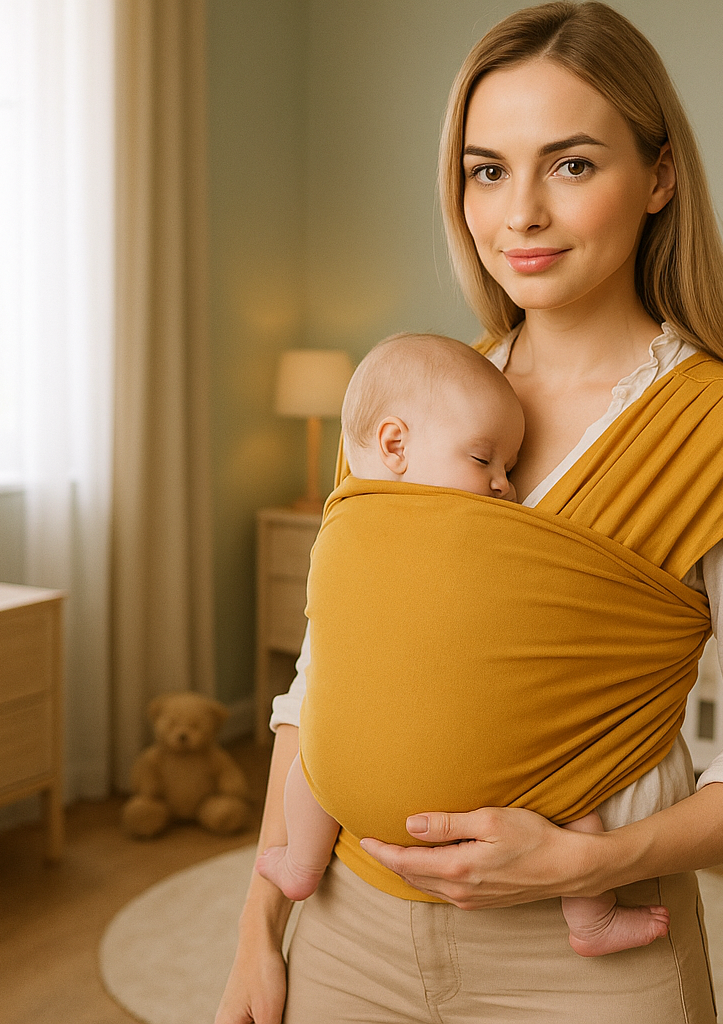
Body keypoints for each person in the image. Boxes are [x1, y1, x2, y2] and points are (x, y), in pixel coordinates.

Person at [216, 4, 723, 1022]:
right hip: (350, 931)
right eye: (487, 169)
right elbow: (326, 679)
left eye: (571, 164)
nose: (519, 216)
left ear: (659, 176)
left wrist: (588, 858)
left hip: (584, 961)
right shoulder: (413, 406)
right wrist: (258, 930)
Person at [254, 330, 671, 957]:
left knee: (317, 770)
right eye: (484, 462)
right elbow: (324, 660)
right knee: (575, 801)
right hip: (441, 779)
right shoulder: (350, 526)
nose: (504, 485)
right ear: (395, 445)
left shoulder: (348, 523)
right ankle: (592, 920)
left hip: (416, 781)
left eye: (507, 467)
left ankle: (300, 864)